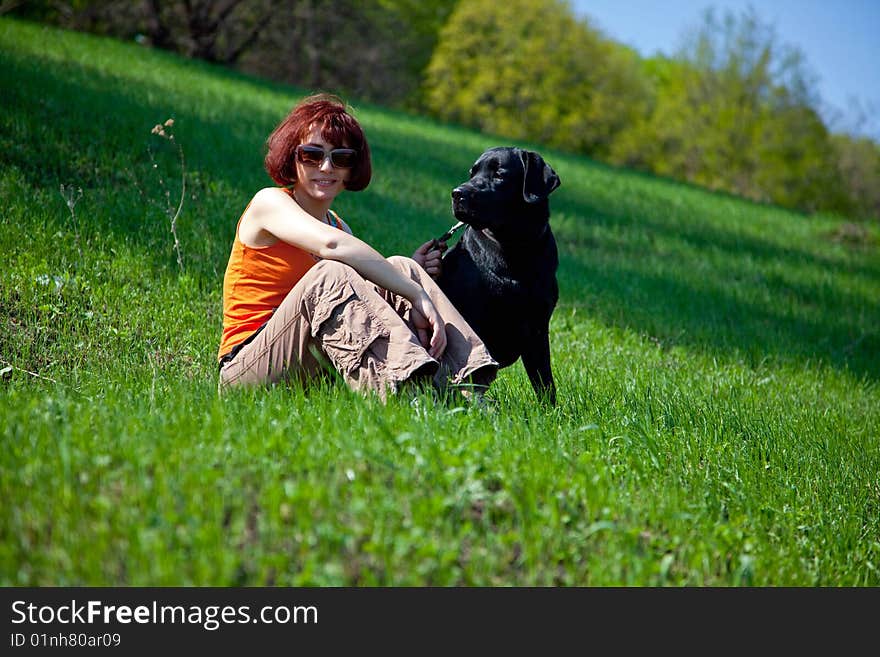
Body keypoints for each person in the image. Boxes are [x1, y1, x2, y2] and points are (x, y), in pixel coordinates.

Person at [217, 93, 498, 401]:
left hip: (313, 369)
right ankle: (403, 394)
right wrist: (414, 293)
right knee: (331, 274)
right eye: (312, 155)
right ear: (291, 157)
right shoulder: (269, 203)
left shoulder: (338, 225)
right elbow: (331, 246)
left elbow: (360, 301)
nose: (326, 167)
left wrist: (407, 281)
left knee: (403, 267)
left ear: (352, 168)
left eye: (341, 158)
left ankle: (465, 389)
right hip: (247, 370)